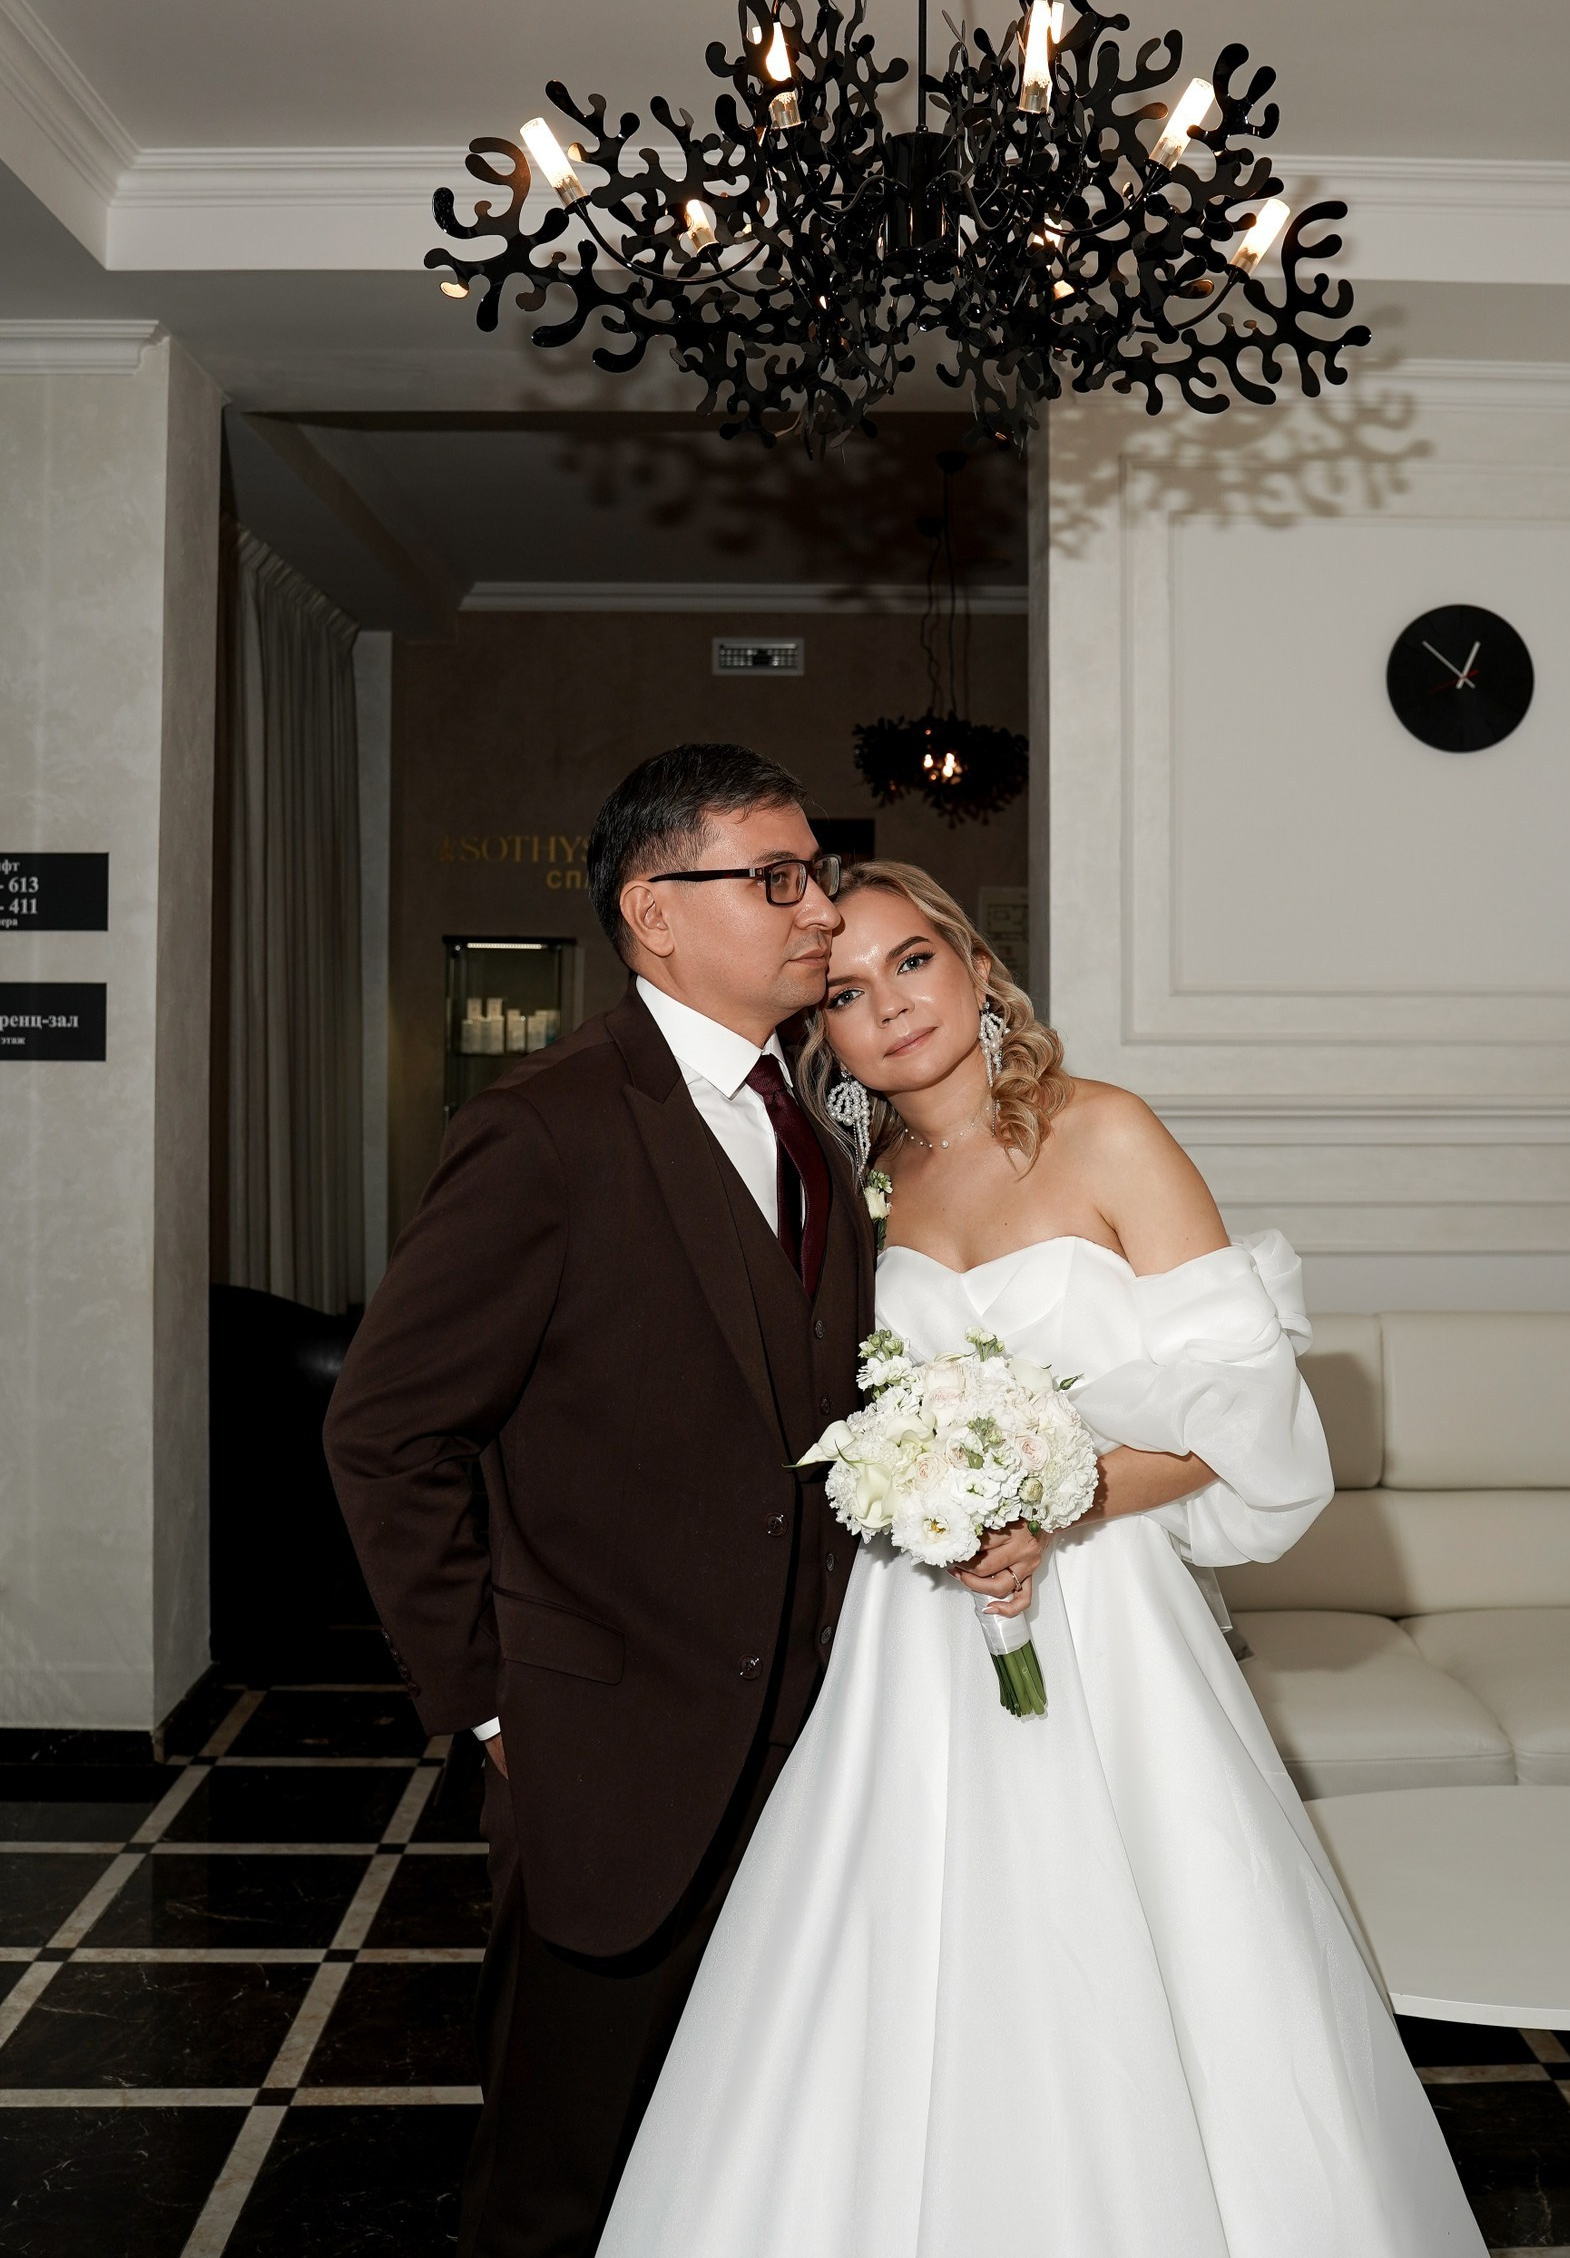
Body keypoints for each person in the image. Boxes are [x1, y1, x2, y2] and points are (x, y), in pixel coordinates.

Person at [596, 859, 1483, 2258]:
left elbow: (1245, 1428)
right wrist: (923, 1505)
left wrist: (1051, 1508)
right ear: (822, 1035)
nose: (891, 1006)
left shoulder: (1107, 1132)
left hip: (1108, 1614)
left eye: (912, 962)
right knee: (891, 1955)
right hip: (910, 1633)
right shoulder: (850, 1190)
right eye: (846, 992)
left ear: (975, 967)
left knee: (1142, 1943)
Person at [323, 745, 874, 2258]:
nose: (820, 909)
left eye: (818, 874)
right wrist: (491, 1702)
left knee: (744, 2144)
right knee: (563, 2171)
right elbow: (384, 1430)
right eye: (776, 878)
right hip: (609, 1750)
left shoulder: (812, 1120)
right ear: (655, 910)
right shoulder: (548, 1126)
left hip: (809, 1743)